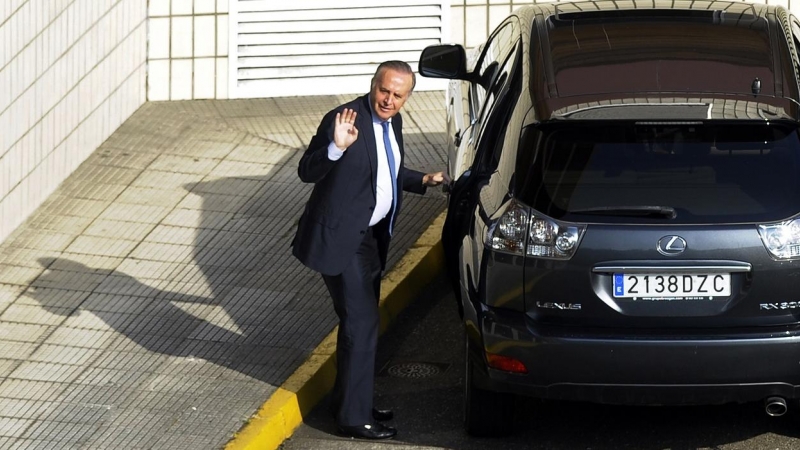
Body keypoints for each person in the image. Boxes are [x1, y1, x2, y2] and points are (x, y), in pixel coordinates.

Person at [291, 61, 449, 440]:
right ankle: (352, 418)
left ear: (407, 98)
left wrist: (423, 179)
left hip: (371, 239)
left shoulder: (392, 122)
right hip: (341, 240)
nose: (389, 100)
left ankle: (348, 401)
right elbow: (306, 170)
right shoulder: (343, 118)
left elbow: (385, 170)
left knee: (358, 326)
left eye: (398, 95)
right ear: (373, 85)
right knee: (361, 327)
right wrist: (335, 147)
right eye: (384, 91)